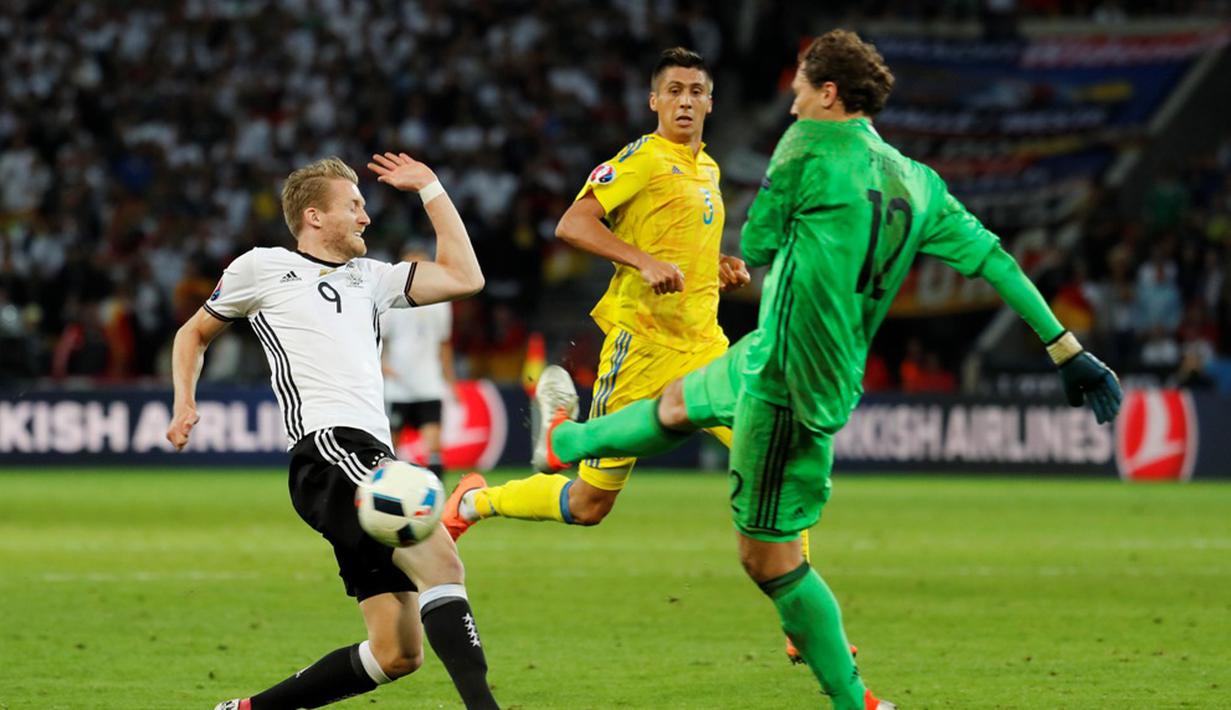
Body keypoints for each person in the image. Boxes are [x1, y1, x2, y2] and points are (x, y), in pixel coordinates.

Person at [498, 30, 1123, 710]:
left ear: (827, 94)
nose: (789, 107)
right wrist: (1065, 348)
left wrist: (763, 240)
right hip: (764, 354)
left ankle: (856, 700)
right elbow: (994, 260)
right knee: (676, 406)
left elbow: (761, 238)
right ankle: (561, 439)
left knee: (766, 560)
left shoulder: (802, 148)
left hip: (789, 384)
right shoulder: (919, 181)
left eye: (798, 91)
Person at [166, 154, 499, 710]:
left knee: (397, 652)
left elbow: (468, 277)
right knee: (441, 560)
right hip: (331, 446)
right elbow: (192, 334)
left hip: (364, 452)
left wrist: (432, 188)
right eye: (356, 205)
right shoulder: (262, 267)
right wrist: (184, 402)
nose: (367, 217)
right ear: (315, 216)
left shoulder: (371, 279)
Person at [443, 47, 749, 532]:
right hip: (642, 344)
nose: (685, 102)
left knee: (769, 448)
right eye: (674, 91)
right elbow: (573, 224)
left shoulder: (708, 170)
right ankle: (474, 503)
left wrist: (719, 266)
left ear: (711, 102)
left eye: (695, 92)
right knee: (589, 505)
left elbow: (676, 242)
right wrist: (642, 262)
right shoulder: (643, 158)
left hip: (704, 346)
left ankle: (788, 582)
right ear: (654, 101)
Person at [382, 242, 455, 486]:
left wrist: (449, 379)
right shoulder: (391, 301)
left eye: (421, 264)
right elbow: (380, 338)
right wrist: (381, 363)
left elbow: (444, 344)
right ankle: (389, 490)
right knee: (391, 444)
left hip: (428, 382)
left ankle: (437, 497)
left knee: (433, 444)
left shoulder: (441, 301)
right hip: (398, 383)